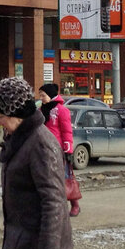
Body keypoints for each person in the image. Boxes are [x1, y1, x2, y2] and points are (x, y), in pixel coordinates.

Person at [0, 77, 72, 249]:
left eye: (1, 116)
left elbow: (53, 199)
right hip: (21, 245)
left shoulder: (40, 143)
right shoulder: (20, 139)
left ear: (17, 114)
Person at [37, 83, 79, 217]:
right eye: (40, 95)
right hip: (43, 149)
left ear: (51, 95)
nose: (41, 98)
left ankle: (75, 204)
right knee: (46, 179)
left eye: (43, 95)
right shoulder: (40, 110)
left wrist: (68, 150)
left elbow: (67, 131)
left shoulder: (61, 110)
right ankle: (50, 206)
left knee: (65, 178)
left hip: (58, 150)